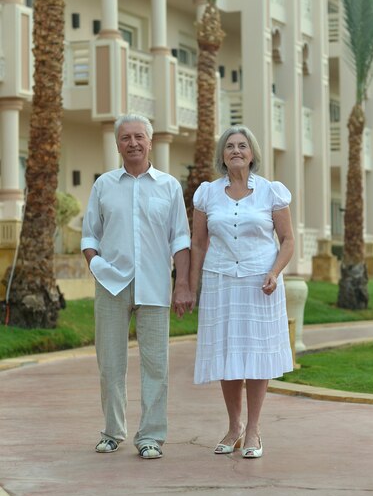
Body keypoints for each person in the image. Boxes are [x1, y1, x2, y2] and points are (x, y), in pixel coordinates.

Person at [81, 114, 191, 459]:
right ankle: (112, 432)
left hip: (155, 286)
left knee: (156, 364)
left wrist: (183, 284)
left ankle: (151, 437)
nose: (133, 143)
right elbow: (89, 235)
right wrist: (96, 266)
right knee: (110, 363)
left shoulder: (169, 186)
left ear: (150, 141)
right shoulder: (104, 186)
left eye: (139, 137)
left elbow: (181, 241)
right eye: (126, 137)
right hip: (111, 286)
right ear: (117, 145)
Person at [189, 125, 295, 459]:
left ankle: (253, 430)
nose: (236, 150)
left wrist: (274, 273)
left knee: (257, 358)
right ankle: (234, 427)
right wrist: (190, 285)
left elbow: (288, 240)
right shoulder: (207, 194)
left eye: (242, 146)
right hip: (220, 281)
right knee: (227, 354)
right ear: (222, 154)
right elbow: (198, 243)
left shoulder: (271, 192)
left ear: (252, 153)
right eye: (230, 146)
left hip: (259, 283)